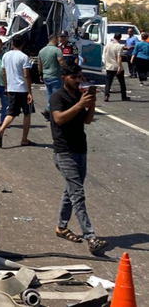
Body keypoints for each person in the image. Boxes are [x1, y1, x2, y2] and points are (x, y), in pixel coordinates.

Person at [50, 64, 108, 256]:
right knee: (77, 193)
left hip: (80, 149)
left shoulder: (79, 96)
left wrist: (90, 104)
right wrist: (79, 105)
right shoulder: (59, 96)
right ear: (64, 77)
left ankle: (61, 226)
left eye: (80, 77)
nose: (78, 80)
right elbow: (58, 119)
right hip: (64, 151)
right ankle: (90, 236)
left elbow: (87, 120)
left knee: (71, 190)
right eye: (74, 77)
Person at [0, 34, 35, 148]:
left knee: (11, 113)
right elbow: (26, 76)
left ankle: (1, 130)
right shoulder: (24, 57)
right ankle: (24, 139)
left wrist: (7, 87)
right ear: (23, 44)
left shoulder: (6, 56)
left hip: (11, 88)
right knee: (27, 114)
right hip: (22, 89)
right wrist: (29, 93)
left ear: (12, 43)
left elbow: (4, 72)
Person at [38, 34, 65, 120]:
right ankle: (49, 110)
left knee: (49, 94)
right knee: (56, 95)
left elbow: (39, 64)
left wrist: (40, 74)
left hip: (46, 76)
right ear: (54, 40)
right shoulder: (57, 50)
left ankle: (50, 111)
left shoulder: (41, 51)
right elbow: (61, 62)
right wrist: (66, 71)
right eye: (57, 40)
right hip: (55, 76)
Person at [103, 33, 130, 102]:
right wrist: (119, 66)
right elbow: (119, 57)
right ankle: (123, 96)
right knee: (122, 82)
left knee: (108, 82)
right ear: (120, 38)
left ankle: (106, 95)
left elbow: (105, 54)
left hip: (109, 66)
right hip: (116, 66)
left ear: (114, 37)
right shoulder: (119, 46)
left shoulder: (108, 45)